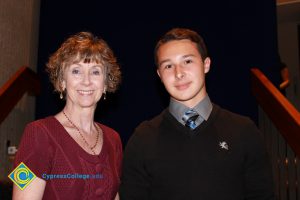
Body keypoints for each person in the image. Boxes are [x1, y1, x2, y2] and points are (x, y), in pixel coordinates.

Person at [120, 28, 275, 199]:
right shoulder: (142, 139)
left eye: (187, 61)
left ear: (206, 64)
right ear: (159, 75)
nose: (178, 73)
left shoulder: (244, 130)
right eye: (168, 65)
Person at [13, 32, 122, 200]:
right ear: (62, 81)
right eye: (76, 71)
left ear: (106, 83)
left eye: (95, 72)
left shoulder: (113, 139)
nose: (86, 81)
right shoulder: (37, 133)